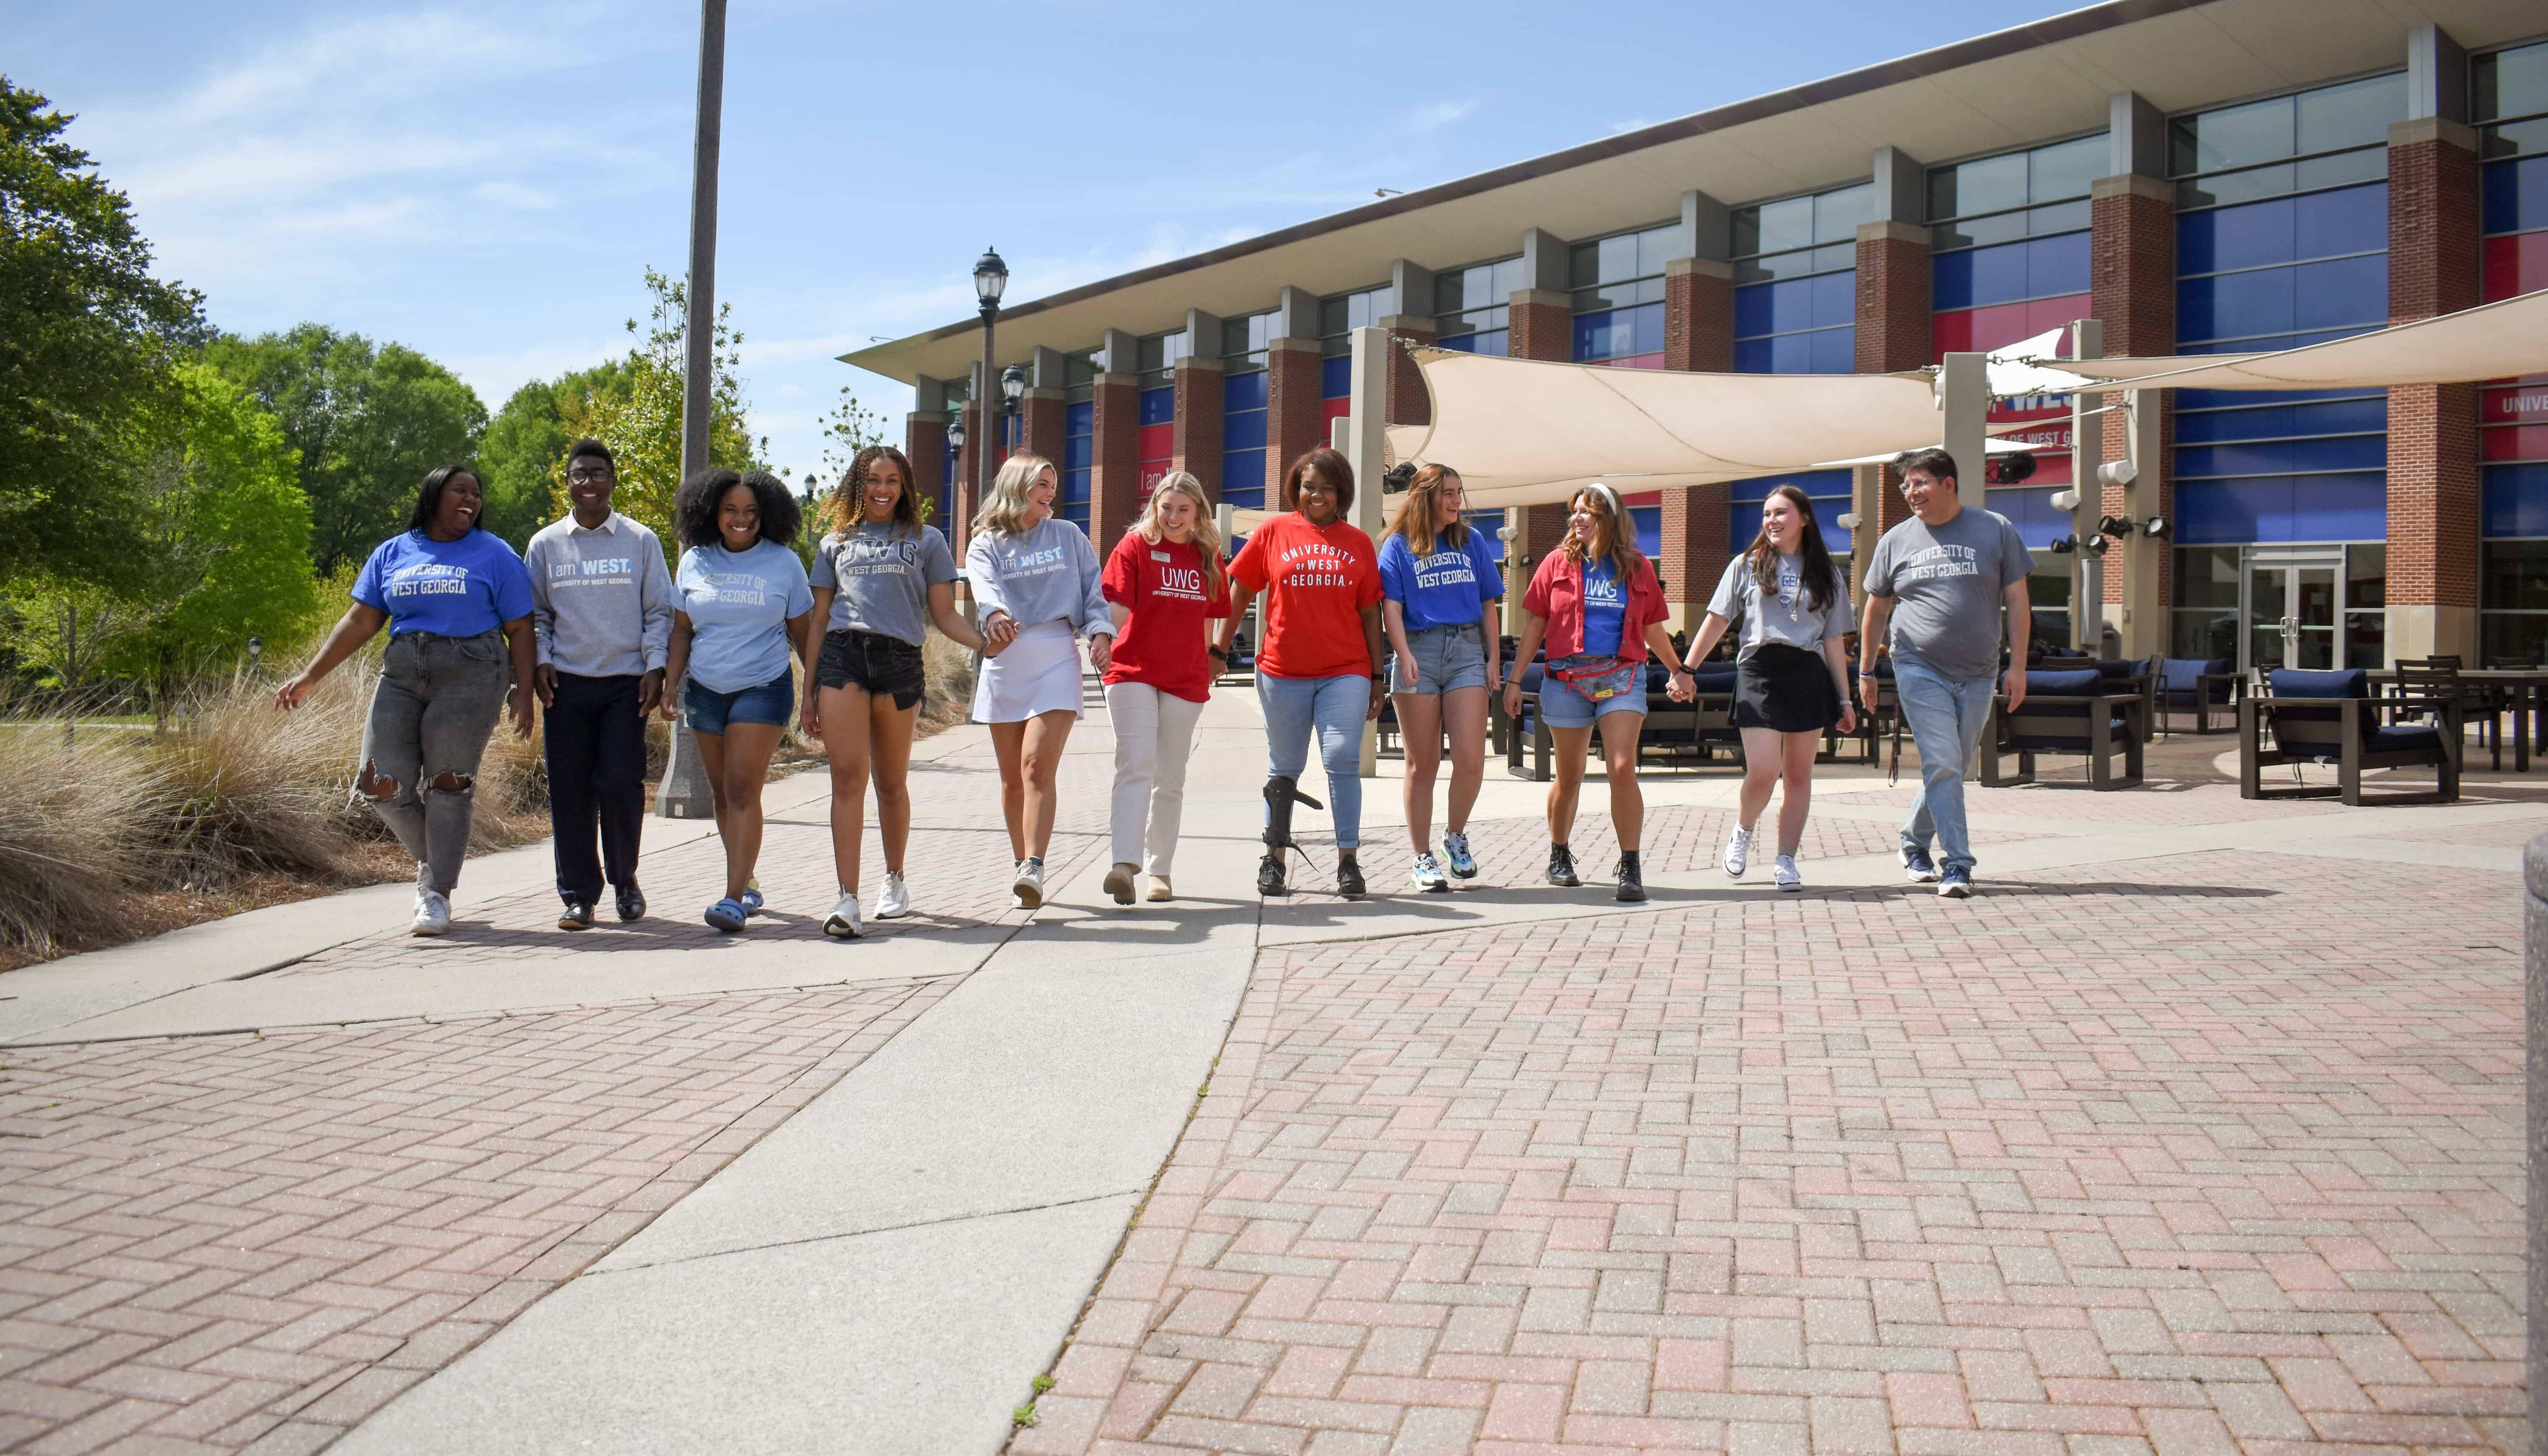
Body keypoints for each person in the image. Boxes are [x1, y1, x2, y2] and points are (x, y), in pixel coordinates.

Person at [275, 465, 537, 936]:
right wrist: (311, 675)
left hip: (473, 670)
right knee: (378, 783)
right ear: (434, 494)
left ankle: (436, 894)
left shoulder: (495, 554)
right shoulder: (394, 552)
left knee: (448, 784)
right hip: (401, 670)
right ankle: (436, 860)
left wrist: (524, 692)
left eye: (477, 494)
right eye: (460, 490)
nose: (471, 500)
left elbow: (520, 628)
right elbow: (360, 620)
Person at [803, 445, 994, 938]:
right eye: (872, 480)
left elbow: (946, 614)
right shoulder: (834, 543)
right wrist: (808, 691)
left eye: (892, 480)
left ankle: (895, 879)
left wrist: (985, 644)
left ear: (905, 486)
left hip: (900, 662)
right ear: (857, 485)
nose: (882, 489)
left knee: (890, 783)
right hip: (842, 658)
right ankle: (847, 898)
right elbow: (819, 620)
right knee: (847, 780)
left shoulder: (927, 541)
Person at [1502, 483, 1695, 902]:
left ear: (1607, 517)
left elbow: (1651, 629)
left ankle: (1630, 865)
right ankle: (1559, 854)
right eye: (1574, 512)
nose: (1576, 518)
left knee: (1622, 767)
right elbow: (1535, 626)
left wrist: (1680, 671)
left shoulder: (1637, 567)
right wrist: (1515, 679)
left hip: (1622, 677)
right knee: (1568, 777)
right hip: (1566, 680)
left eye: (1585, 511)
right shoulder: (1555, 563)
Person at [1857, 446, 2033, 898]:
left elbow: (2017, 601)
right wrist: (1866, 670)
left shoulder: (1995, 529)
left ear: (1948, 484)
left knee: (1952, 766)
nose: (1911, 492)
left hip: (1979, 671)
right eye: (1906, 485)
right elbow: (1876, 607)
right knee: (1943, 762)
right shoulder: (1896, 539)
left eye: (1920, 483)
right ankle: (1958, 864)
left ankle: (1913, 841)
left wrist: (2018, 666)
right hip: (1918, 665)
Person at [1220, 447, 1386, 899]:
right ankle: (1274, 859)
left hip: (1345, 671)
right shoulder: (1273, 531)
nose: (1316, 495)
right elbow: (1240, 591)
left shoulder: (1358, 543)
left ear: (1341, 494)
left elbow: (1371, 613)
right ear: (1297, 487)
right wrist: (1220, 645)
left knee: (1342, 760)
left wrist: (1376, 675)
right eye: (1309, 486)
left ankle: (1348, 861)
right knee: (1286, 767)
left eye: (1327, 488)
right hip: (1282, 671)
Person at [660, 467, 817, 932]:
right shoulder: (695, 561)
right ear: (713, 512)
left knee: (744, 789)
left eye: (750, 511)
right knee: (723, 795)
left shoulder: (784, 563)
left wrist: (815, 696)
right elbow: (682, 629)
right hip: (705, 690)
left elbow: (804, 635)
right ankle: (747, 881)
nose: (741, 519)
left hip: (763, 686)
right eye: (730, 510)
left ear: (766, 515)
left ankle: (732, 899)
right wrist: (671, 683)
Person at [525, 439, 673, 930]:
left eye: (597, 473)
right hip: (565, 685)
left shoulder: (640, 540)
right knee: (570, 792)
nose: (588, 482)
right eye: (579, 474)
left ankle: (625, 881)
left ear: (613, 480)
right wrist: (541, 660)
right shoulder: (546, 544)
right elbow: (537, 614)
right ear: (567, 482)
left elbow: (659, 612)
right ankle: (579, 896)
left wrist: (655, 667)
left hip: (624, 686)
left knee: (619, 784)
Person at [1681, 484, 1857, 893]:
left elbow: (1833, 641)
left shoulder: (1827, 573)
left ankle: (1786, 859)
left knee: (1799, 774)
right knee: (1763, 770)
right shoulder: (1746, 564)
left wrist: (1845, 699)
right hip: (1760, 668)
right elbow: (1717, 619)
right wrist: (1687, 667)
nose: (1772, 521)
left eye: (1781, 513)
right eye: (1766, 514)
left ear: (1805, 518)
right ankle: (1743, 830)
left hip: (1807, 672)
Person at [966, 452, 1111, 910]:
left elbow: (1094, 590)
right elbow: (983, 587)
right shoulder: (985, 544)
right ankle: (1019, 868)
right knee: (1012, 779)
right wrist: (995, 614)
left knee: (1035, 767)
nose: (1051, 493)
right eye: (1042, 485)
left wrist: (1101, 634)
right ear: (1017, 487)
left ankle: (1035, 864)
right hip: (1006, 658)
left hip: (1056, 655)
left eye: (1053, 485)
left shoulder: (1068, 535)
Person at [1099, 471, 1231, 905]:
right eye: (1166, 507)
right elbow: (1117, 606)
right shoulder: (1135, 546)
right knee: (1135, 765)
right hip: (1132, 670)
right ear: (1155, 505)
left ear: (1198, 513)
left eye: (1183, 510)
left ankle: (1160, 871)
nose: (1173, 517)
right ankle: (1124, 864)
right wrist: (1103, 641)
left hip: (1184, 678)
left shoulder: (1209, 555)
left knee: (1170, 778)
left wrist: (1212, 656)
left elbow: (1213, 617)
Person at [1378, 463, 1501, 892]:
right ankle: (1421, 858)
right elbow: (1390, 607)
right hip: (1420, 649)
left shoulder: (1473, 541)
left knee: (1470, 759)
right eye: (1448, 493)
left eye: (1458, 493)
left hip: (1467, 650)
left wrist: (1493, 660)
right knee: (1423, 763)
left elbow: (1489, 604)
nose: (1455, 501)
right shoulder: (1397, 546)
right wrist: (1404, 653)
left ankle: (1455, 837)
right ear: (1425, 496)